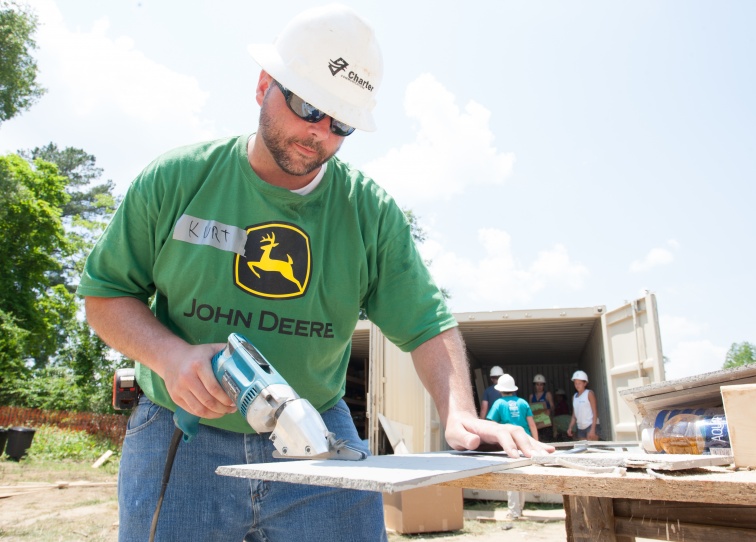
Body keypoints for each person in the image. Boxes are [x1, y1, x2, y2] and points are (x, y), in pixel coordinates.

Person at [76, 5, 554, 541]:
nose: (320, 133)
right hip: (180, 435)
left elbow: (426, 323)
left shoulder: (367, 212)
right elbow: (105, 294)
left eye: (341, 122)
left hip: (317, 438)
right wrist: (170, 357)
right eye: (308, 105)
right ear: (263, 86)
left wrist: (459, 411)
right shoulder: (178, 180)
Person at [486, 374, 538, 520]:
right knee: (523, 475)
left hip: (510, 444)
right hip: (526, 443)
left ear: (500, 390)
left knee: (512, 476)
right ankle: (520, 508)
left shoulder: (498, 404)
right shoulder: (523, 402)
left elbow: (491, 425)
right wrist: (535, 443)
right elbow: (532, 424)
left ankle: (514, 512)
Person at [567, 370, 601, 441]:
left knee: (592, 449)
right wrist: (570, 427)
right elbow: (574, 415)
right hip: (580, 428)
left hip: (590, 425)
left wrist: (593, 429)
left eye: (579, 383)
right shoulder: (574, 397)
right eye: (575, 383)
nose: (577, 385)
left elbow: (595, 413)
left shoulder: (589, 394)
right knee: (583, 449)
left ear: (585, 383)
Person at [529, 374, 556, 442]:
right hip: (536, 424)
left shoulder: (547, 395)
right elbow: (530, 409)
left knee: (547, 441)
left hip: (546, 423)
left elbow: (552, 406)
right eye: (537, 384)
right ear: (535, 385)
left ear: (544, 385)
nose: (539, 387)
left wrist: (549, 410)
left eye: (541, 384)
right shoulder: (532, 396)